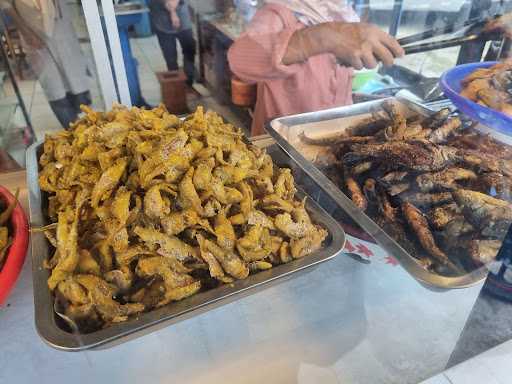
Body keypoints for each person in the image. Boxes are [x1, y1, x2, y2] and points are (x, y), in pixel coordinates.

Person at [228, 0, 404, 136]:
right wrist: (320, 38)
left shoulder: (342, 15)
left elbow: (338, 86)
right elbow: (239, 60)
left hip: (328, 135)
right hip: (280, 141)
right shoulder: (279, 12)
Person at [0, 0, 91, 128]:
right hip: (32, 28)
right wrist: (25, 31)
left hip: (61, 27)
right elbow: (6, 4)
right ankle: (73, 133)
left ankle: (90, 131)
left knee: (78, 85)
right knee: (55, 89)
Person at [149, 0, 196, 87]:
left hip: (183, 18)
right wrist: (172, 11)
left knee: (189, 51)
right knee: (170, 58)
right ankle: (177, 86)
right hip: (161, 20)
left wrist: (173, 10)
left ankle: (188, 83)